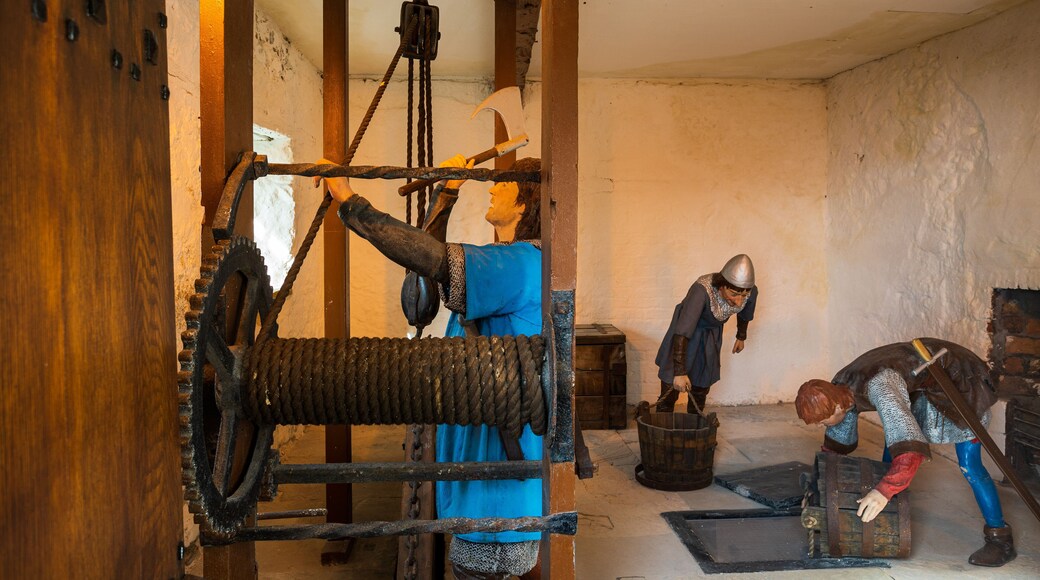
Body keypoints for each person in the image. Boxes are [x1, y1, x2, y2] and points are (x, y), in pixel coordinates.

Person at [319, 154, 543, 580]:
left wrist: (349, 199)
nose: (492, 189)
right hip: (480, 460)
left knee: (479, 569)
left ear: (524, 205)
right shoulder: (502, 260)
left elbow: (432, 258)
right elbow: (429, 270)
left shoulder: (522, 264)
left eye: (503, 185)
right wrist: (447, 194)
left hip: (494, 491)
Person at [795, 338, 1015, 567]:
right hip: (926, 385)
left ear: (838, 407)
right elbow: (835, 448)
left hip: (962, 385)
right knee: (893, 448)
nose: (823, 426)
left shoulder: (882, 386)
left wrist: (884, 490)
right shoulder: (839, 386)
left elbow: (910, 450)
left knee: (970, 465)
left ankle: (1000, 539)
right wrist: (818, 491)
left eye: (823, 421)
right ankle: (890, 511)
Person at [654, 254, 758, 413]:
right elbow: (683, 330)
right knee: (671, 384)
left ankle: (695, 426)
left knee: (701, 383)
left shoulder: (748, 291)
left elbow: (746, 311)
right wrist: (680, 372)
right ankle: (662, 423)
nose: (739, 301)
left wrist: (741, 336)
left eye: (743, 295)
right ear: (722, 285)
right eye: (734, 294)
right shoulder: (701, 291)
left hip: (710, 335)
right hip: (685, 334)